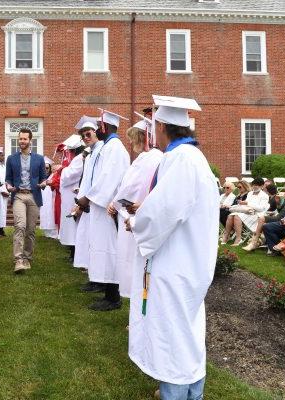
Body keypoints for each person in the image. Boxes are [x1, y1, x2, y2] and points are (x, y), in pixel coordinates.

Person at [126, 96, 218, 399]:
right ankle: (192, 391)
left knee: (173, 333)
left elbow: (162, 212)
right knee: (188, 332)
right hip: (189, 260)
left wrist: (137, 221)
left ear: (162, 126)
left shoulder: (180, 160)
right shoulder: (192, 158)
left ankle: (175, 394)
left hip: (176, 263)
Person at [75, 111, 130, 311]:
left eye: (99, 126)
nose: (97, 129)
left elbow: (108, 179)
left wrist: (88, 198)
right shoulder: (109, 148)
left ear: (105, 127)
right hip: (100, 206)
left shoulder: (114, 149)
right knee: (103, 249)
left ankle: (113, 297)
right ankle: (107, 290)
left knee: (110, 250)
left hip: (108, 208)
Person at [107, 119, 163, 298]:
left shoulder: (154, 158)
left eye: (133, 138)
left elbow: (136, 186)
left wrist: (117, 203)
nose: (131, 143)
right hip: (128, 214)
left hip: (139, 215)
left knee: (138, 264)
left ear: (143, 137)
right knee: (128, 261)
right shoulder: (143, 158)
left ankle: (140, 305)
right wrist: (116, 202)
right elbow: (127, 185)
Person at [5, 128, 47, 273]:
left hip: (33, 195)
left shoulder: (39, 159)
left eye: (24, 139)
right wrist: (8, 185)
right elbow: (8, 178)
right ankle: (18, 260)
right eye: (20, 138)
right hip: (18, 195)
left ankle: (28, 258)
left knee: (30, 229)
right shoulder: (11, 158)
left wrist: (43, 183)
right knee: (20, 226)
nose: (22, 141)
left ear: (30, 140)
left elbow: (43, 177)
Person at [73, 119, 101, 292]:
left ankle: (99, 280)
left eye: (88, 133)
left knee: (96, 243)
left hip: (95, 202)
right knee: (88, 241)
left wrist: (87, 199)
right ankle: (93, 276)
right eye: (83, 136)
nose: (86, 137)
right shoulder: (90, 155)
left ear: (96, 132)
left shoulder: (102, 151)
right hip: (86, 202)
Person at [58, 135, 85, 261]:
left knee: (74, 223)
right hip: (69, 194)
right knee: (71, 223)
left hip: (73, 194)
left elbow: (70, 175)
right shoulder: (77, 158)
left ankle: (74, 252)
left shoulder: (79, 159)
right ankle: (72, 251)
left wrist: (62, 171)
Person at [222, 177, 269, 246]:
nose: (255, 187)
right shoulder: (250, 193)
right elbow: (246, 205)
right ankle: (226, 236)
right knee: (230, 216)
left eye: (257, 185)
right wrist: (243, 203)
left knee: (237, 216)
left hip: (256, 214)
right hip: (246, 211)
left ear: (262, 186)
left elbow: (261, 208)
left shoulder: (264, 195)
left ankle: (238, 238)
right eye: (254, 185)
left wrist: (247, 204)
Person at [243, 184, 285, 251]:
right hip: (276, 216)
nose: (263, 190)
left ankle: (254, 241)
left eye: (265, 189)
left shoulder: (276, 199)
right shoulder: (274, 198)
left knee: (262, 219)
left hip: (282, 219)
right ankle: (256, 242)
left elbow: (276, 211)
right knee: (262, 221)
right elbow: (278, 211)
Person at [39, 159, 58, 239]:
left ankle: (54, 233)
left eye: (47, 168)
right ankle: (46, 232)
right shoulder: (41, 178)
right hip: (43, 200)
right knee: (44, 214)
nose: (45, 170)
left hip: (51, 199)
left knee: (51, 214)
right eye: (44, 168)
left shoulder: (53, 176)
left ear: (50, 168)